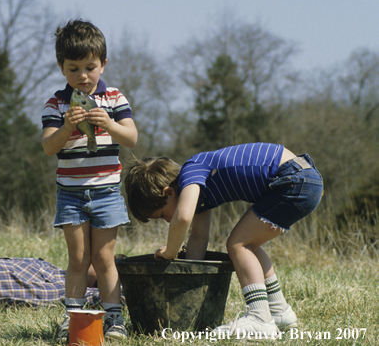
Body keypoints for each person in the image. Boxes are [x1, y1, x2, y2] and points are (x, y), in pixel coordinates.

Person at [124, 143, 323, 337]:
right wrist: (185, 276)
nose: (168, 221)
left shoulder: (191, 171)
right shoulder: (201, 188)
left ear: (168, 192)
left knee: (238, 245)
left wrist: (170, 252)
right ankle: (280, 311)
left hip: (294, 179)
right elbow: (199, 237)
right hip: (301, 178)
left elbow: (183, 218)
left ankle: (259, 317)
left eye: (161, 215)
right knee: (248, 246)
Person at [41, 19, 138, 342]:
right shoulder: (56, 104)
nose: (82, 76)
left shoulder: (114, 98)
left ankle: (114, 318)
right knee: (78, 259)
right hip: (71, 194)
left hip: (107, 191)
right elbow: (49, 146)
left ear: (103, 64)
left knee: (104, 257)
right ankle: (74, 318)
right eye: (73, 69)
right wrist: (68, 127)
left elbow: (132, 138)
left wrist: (109, 124)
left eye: (89, 67)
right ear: (61, 68)